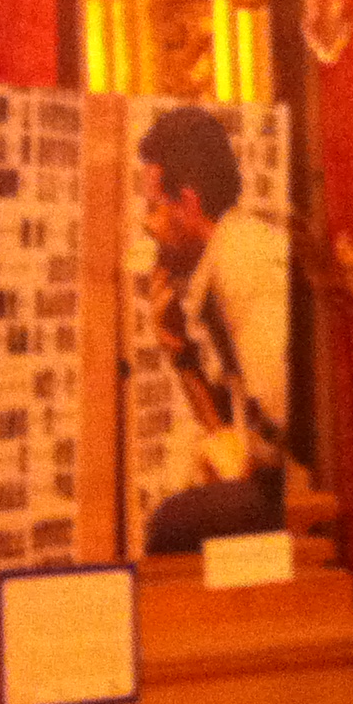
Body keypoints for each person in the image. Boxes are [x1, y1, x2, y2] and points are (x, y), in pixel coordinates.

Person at [136, 106, 289, 554]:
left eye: (155, 206)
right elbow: (223, 425)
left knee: (171, 525)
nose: (148, 224)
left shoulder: (245, 261)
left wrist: (231, 456)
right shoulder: (221, 260)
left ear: (188, 204)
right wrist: (179, 351)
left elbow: (277, 419)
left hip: (285, 482)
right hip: (264, 472)